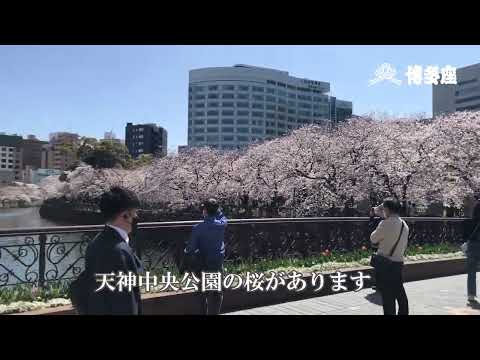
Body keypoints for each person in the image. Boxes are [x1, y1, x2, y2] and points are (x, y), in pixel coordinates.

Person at [84, 186, 143, 315]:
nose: (137, 217)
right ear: (125, 215)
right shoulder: (120, 251)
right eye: (135, 213)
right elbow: (125, 302)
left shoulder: (95, 242)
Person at [185, 198, 227, 315]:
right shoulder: (222, 224)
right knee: (216, 293)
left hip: (204, 263)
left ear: (204, 211)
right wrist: (216, 210)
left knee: (202, 293)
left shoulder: (198, 228)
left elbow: (191, 249)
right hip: (217, 263)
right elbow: (222, 216)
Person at [370, 198, 409, 315]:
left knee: (388, 296)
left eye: (384, 209)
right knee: (400, 293)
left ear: (387, 209)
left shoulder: (385, 223)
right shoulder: (404, 224)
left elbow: (373, 238)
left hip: (385, 264)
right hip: (398, 263)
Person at [465, 201, 480, 308]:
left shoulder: (470, 222)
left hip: (472, 246)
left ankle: (471, 295)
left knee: (471, 271)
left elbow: (465, 235)